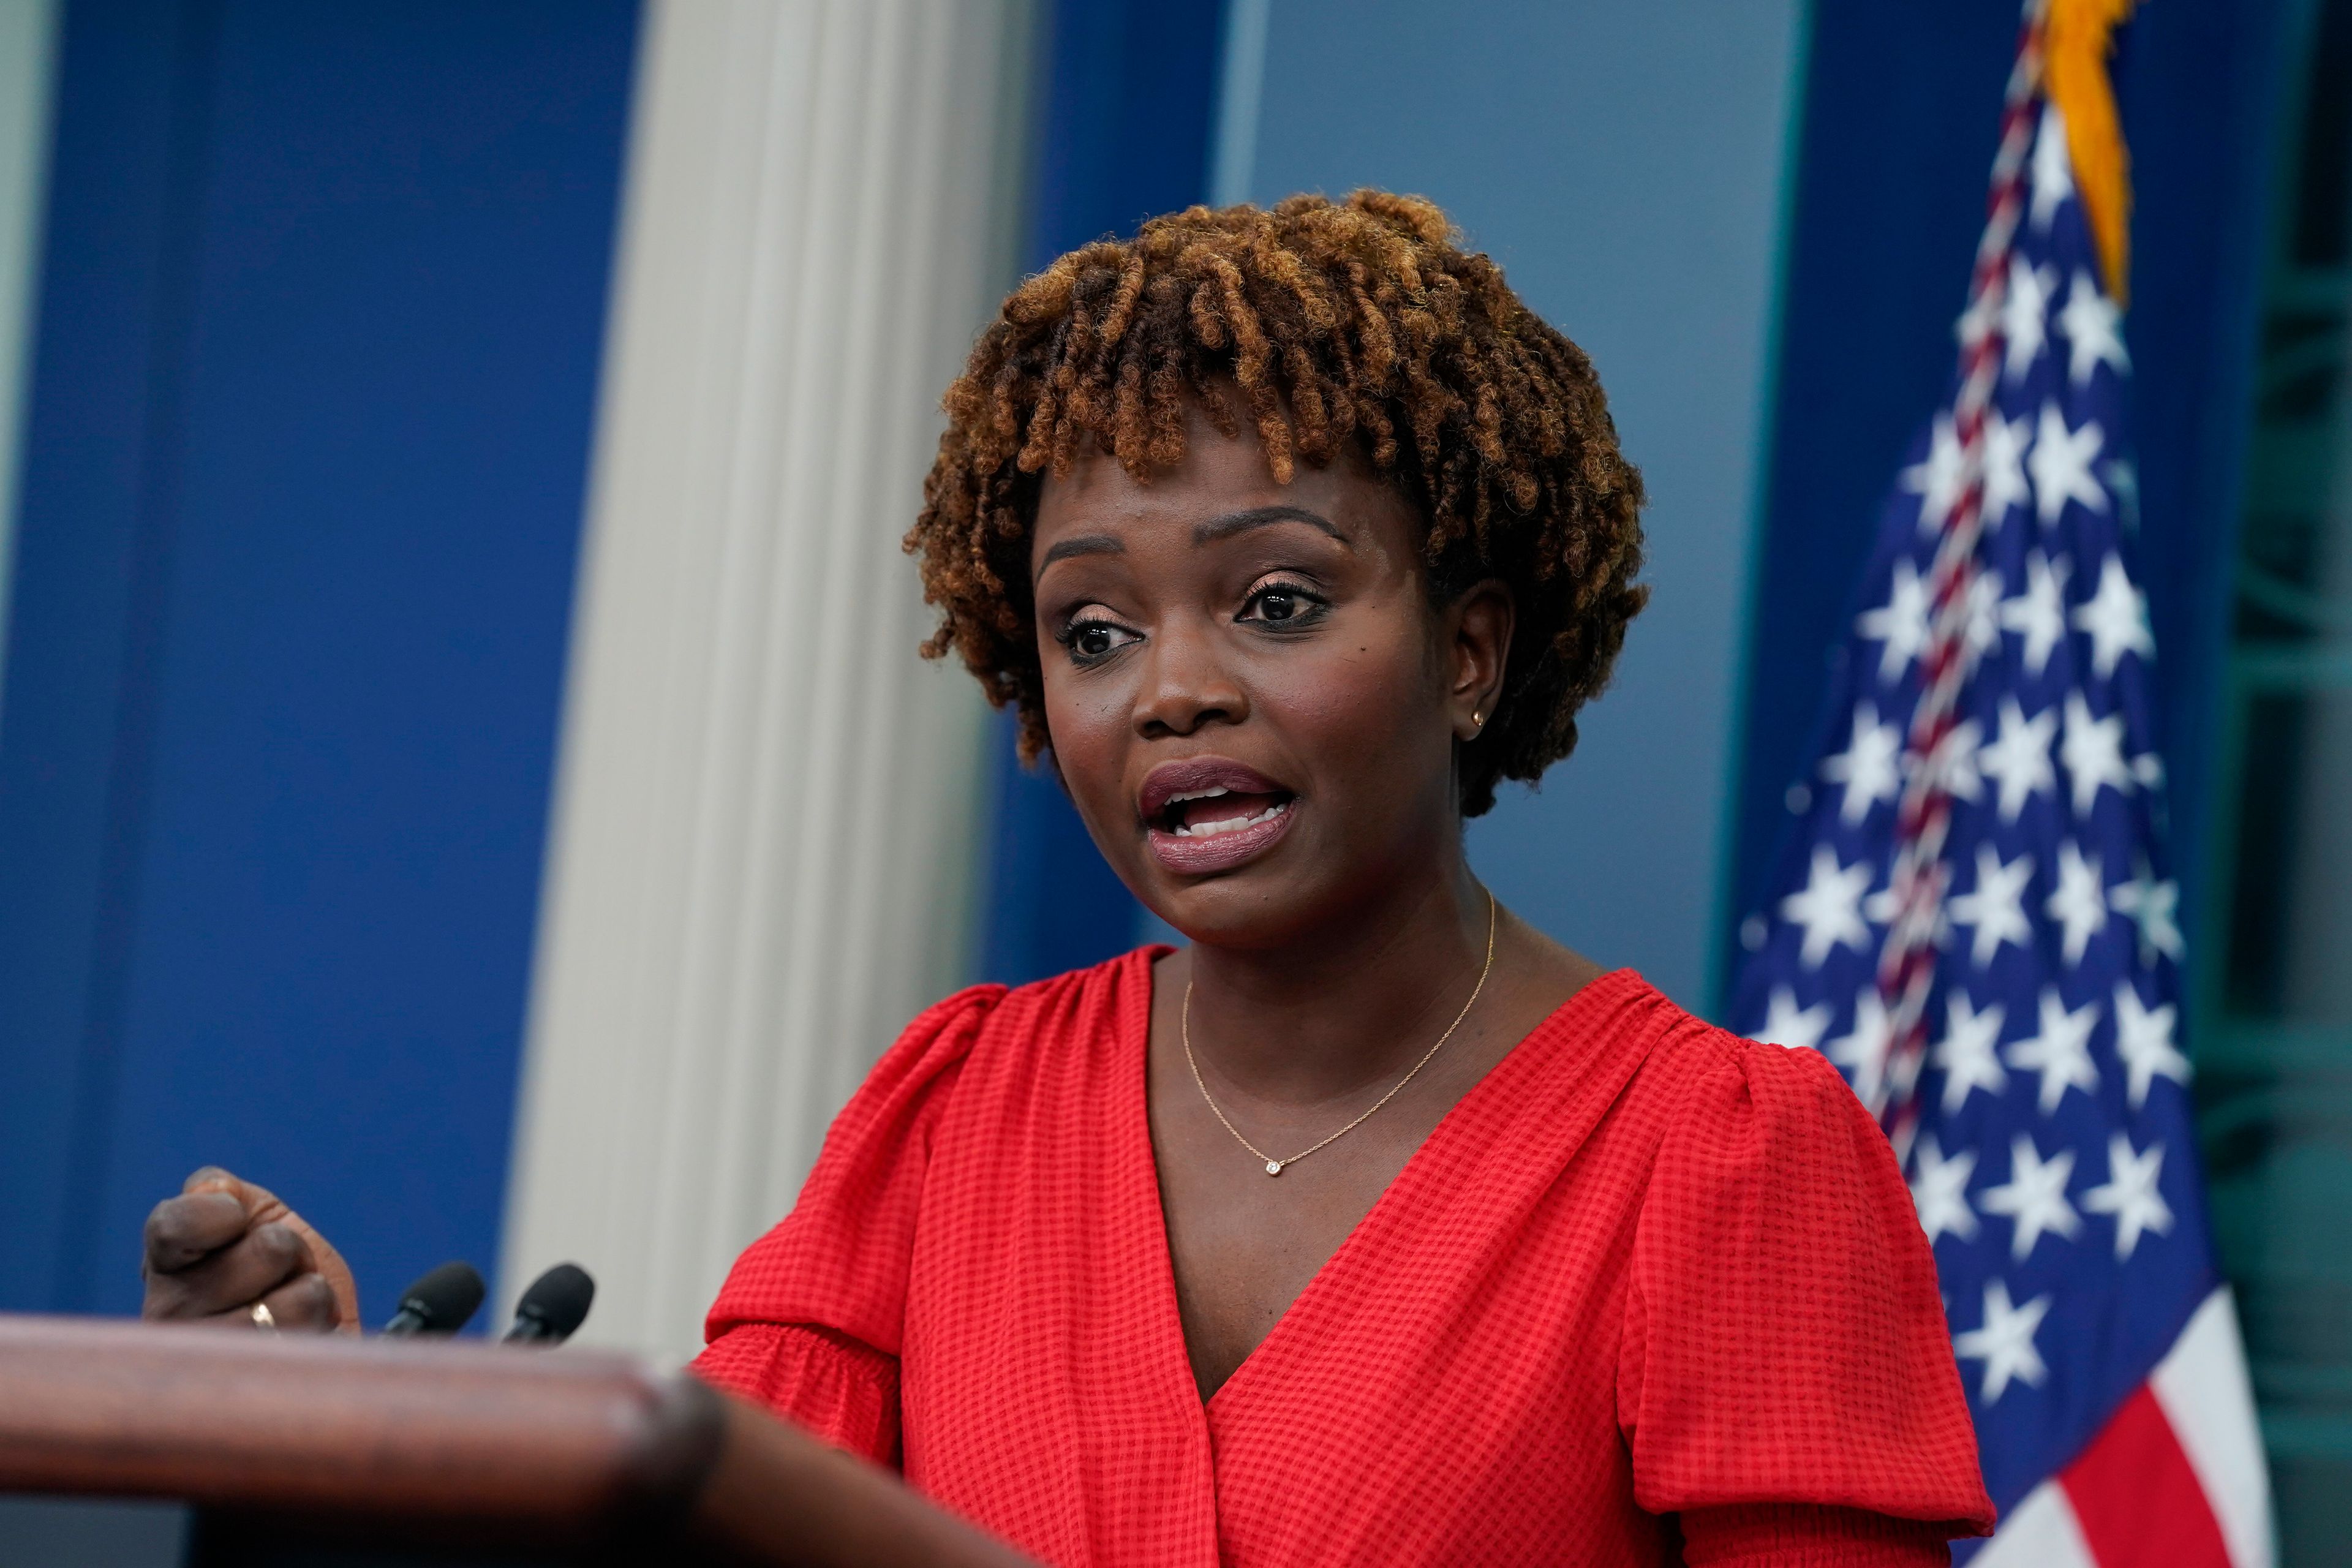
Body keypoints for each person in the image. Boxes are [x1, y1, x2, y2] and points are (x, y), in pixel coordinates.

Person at [141, 193, 1995, 1565]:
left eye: (1276, 600)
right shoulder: (951, 1121)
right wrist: (319, 1441)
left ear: (1469, 649)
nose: (1171, 686)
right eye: (1092, 630)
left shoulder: (1720, 1160)